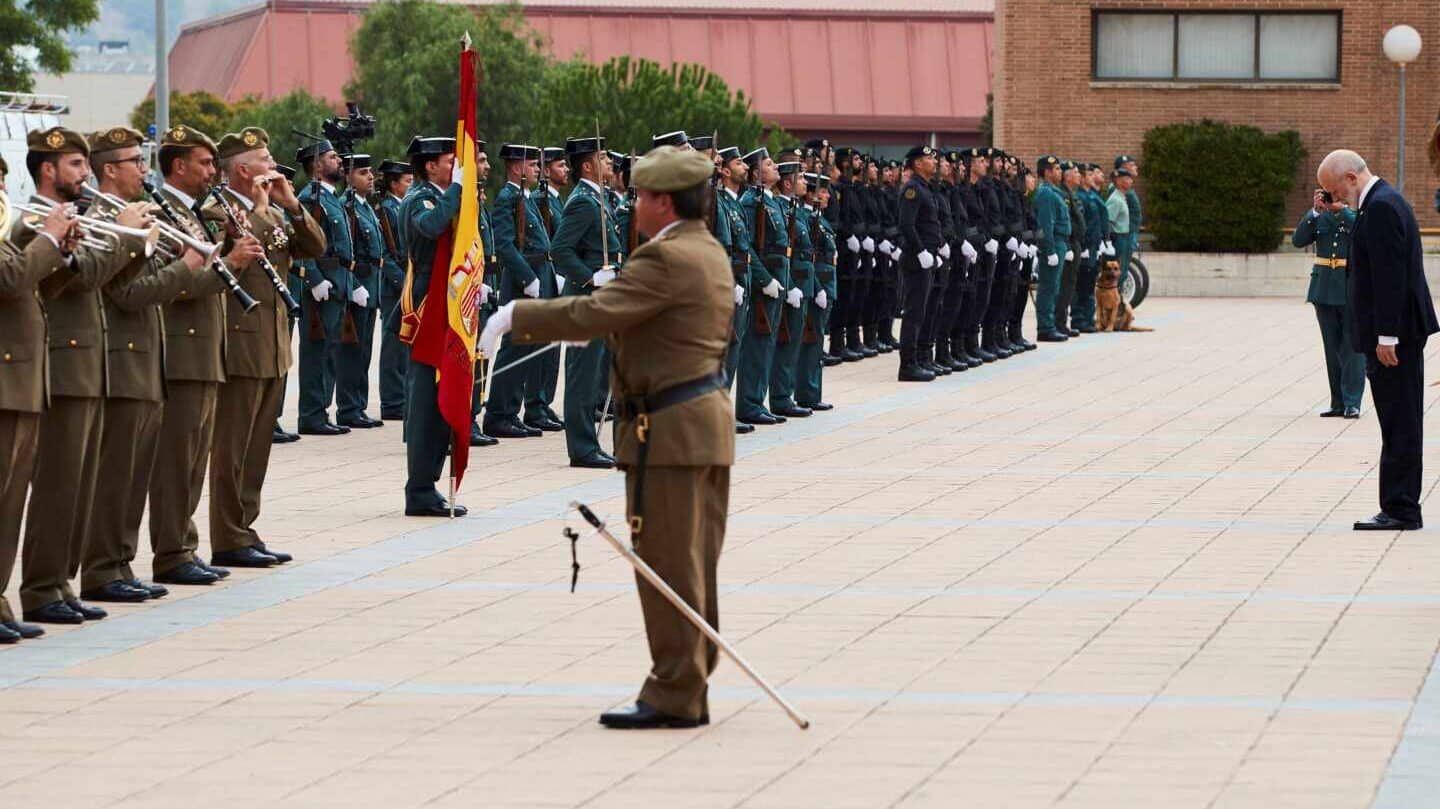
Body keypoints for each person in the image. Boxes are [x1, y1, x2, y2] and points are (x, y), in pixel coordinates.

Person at [481, 145, 734, 729]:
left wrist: (517, 315)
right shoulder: (706, 248)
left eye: (641, 195)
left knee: (667, 563)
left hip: (668, 433)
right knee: (694, 562)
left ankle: (676, 689)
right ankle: (692, 672)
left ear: (663, 201)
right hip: (702, 425)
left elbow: (593, 314)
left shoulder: (666, 257)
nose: (633, 203)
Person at [16, 126, 153, 624]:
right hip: (62, 364)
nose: (86, 174)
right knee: (56, 484)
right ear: (49, 170)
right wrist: (125, 237)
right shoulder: (31, 221)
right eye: (76, 165)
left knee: (76, 484)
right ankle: (40, 586)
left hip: (89, 363)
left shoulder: (72, 219)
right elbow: (86, 279)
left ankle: (59, 581)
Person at [79, 126, 211, 600]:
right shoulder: (103, 219)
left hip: (145, 359)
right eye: (135, 160)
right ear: (109, 169)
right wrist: (186, 268)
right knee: (115, 474)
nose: (142, 168)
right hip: (121, 361)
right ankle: (101, 569)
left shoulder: (139, 216)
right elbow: (129, 293)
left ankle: (119, 563)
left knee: (134, 474)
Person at [205, 127, 324, 569]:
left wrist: (292, 206)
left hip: (273, 341)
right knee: (232, 448)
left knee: (257, 448)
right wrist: (258, 210)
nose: (273, 168)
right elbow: (231, 255)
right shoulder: (219, 210)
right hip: (240, 342)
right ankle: (226, 535)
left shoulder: (274, 211)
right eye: (265, 161)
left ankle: (245, 528)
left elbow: (314, 246)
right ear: (241, 169)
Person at [1318, 149, 1438, 531]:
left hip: (1395, 337)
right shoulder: (1382, 202)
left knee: (1399, 421)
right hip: (1395, 333)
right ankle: (1400, 504)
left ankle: (1401, 508)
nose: (1337, 198)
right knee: (1398, 420)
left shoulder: (1383, 207)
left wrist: (1387, 335)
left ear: (1352, 178)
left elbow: (1390, 278)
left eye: (1336, 190)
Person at [0, 194, 78, 640]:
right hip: (9, 379)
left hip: (24, 379)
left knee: (11, 505)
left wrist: (61, 253)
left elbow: (31, 287)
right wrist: (48, 237)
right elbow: (10, 280)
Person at [396, 135, 468, 517]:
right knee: (425, 399)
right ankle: (419, 488)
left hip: (447, 300)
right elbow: (431, 226)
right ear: (429, 166)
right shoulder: (418, 199)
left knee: (444, 394)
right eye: (450, 160)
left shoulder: (439, 194)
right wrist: (457, 189)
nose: (456, 166)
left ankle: (430, 483)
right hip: (428, 307)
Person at [550, 136, 622, 468]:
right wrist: (591, 277)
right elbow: (560, 250)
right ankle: (581, 447)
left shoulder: (599, 198)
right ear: (588, 165)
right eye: (603, 158)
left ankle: (589, 443)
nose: (609, 163)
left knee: (593, 373)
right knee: (581, 375)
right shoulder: (582, 201)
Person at [483, 144, 552, 440]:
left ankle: (511, 412)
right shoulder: (507, 198)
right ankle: (498, 414)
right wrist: (527, 278)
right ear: (516, 168)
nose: (537, 169)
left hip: (536, 277)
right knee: (514, 349)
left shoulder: (525, 198)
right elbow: (506, 244)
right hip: (522, 283)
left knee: (525, 349)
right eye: (532, 164)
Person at [294, 138, 354, 436]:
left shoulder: (332, 197)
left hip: (338, 282)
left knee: (330, 351)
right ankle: (311, 415)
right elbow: (304, 242)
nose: (339, 160)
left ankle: (321, 411)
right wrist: (314, 278)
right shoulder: (311, 197)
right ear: (317, 165)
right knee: (316, 352)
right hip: (323, 284)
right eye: (332, 156)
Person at [1293, 187, 1362, 419]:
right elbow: (1298, 240)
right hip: (1322, 290)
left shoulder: (1353, 215)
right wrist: (1314, 211)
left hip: (1349, 289)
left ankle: (1353, 402)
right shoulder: (1318, 217)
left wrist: (1340, 210)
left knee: (1352, 348)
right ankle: (1338, 402)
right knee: (1331, 348)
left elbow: (1362, 233)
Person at [735, 147, 789, 425]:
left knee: (766, 344)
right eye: (769, 164)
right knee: (756, 345)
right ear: (756, 174)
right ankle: (748, 403)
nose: (775, 167)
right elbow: (750, 248)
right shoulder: (750, 201)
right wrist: (765, 279)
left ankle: (757, 400)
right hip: (762, 283)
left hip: (777, 281)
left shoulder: (771, 200)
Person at [335, 153, 384, 429]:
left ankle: (358, 405)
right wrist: (353, 286)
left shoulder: (365, 206)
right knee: (351, 351)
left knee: (363, 350)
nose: (370, 177)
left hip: (372, 284)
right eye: (363, 172)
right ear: (349, 177)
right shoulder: (348, 207)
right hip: (358, 285)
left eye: (370, 172)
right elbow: (346, 254)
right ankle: (348, 407)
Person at [768, 162, 812, 416]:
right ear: (787, 183)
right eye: (801, 178)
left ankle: (787, 395)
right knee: (784, 344)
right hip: (789, 282)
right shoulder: (781, 209)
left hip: (800, 283)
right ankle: (780, 398)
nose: (805, 182)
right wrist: (791, 285)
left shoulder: (793, 208)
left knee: (793, 343)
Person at [896, 145, 943, 381]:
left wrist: (939, 244)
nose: (933, 161)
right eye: (928, 158)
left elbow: (930, 224)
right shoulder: (912, 189)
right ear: (916, 164)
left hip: (928, 257)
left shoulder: (925, 188)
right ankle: (907, 365)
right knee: (913, 313)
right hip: (916, 260)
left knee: (922, 311)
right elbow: (907, 224)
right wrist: (922, 250)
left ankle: (918, 360)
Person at [377, 159, 413, 423]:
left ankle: (400, 396)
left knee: (404, 344)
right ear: (393, 184)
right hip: (395, 287)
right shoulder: (387, 209)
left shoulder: (400, 206)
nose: (410, 184)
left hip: (405, 280)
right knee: (393, 345)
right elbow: (385, 255)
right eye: (406, 181)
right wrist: (404, 283)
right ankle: (392, 400)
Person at [1032, 155, 1069, 342]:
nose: (1060, 172)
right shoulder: (1046, 193)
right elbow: (1046, 224)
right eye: (1056, 169)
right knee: (1048, 287)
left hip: (1061, 242)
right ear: (1047, 172)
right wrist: (1050, 250)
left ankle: (1050, 324)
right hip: (1053, 243)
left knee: (1054, 287)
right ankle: (1045, 328)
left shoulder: (1054, 192)